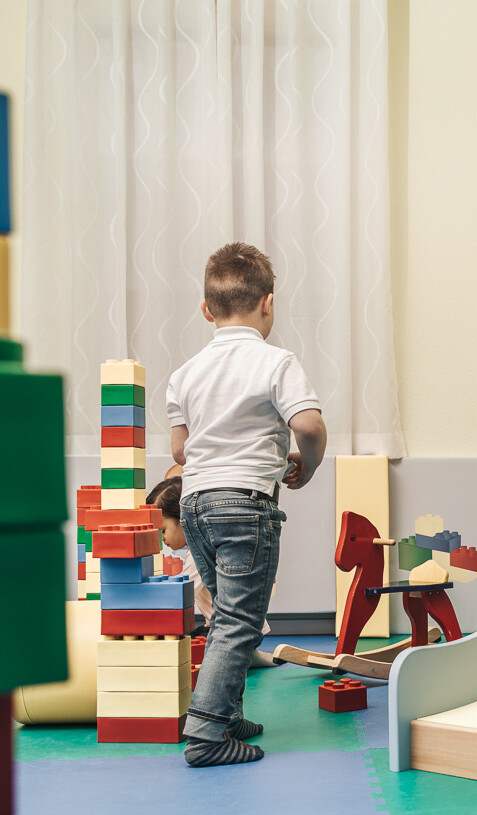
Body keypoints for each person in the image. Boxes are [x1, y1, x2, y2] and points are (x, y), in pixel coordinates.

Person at [166, 242, 327, 767]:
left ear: (207, 309)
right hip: (243, 505)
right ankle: (208, 735)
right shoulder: (276, 361)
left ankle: (228, 714)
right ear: (268, 304)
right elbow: (308, 424)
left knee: (223, 615)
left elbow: (179, 451)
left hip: (194, 505)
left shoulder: (186, 373)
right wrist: (308, 460)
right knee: (241, 620)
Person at [147, 474, 275, 665]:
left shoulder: (199, 554)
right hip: (238, 629)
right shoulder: (204, 544)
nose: (162, 539)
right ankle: (249, 655)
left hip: (233, 632)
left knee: (175, 644)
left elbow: (177, 596)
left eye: (163, 530)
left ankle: (244, 656)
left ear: (184, 519)